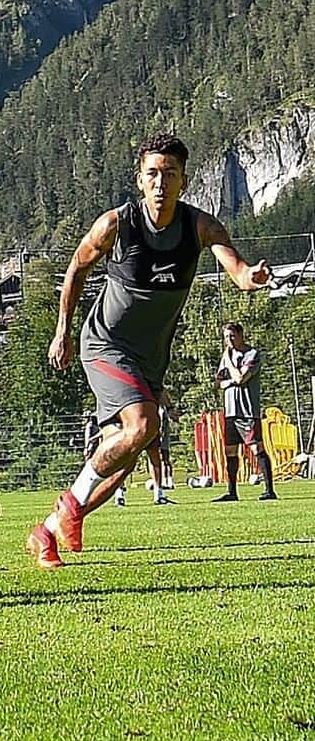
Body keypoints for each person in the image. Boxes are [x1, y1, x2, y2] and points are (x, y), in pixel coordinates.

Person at [27, 134, 273, 570]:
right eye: (153, 174)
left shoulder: (200, 226)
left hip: (149, 360)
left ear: (184, 181)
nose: (161, 182)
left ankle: (46, 531)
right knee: (144, 424)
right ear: (140, 180)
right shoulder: (116, 224)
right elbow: (76, 268)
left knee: (123, 459)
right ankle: (69, 506)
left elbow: (236, 269)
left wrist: (251, 275)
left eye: (170, 174)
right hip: (105, 344)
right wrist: (61, 330)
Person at [213, 322, 277, 501]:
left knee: (257, 448)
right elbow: (218, 383)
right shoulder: (226, 356)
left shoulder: (252, 354)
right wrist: (227, 379)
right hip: (230, 413)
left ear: (241, 335)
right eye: (226, 337)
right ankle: (232, 492)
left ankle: (269, 490)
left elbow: (241, 378)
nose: (229, 340)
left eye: (232, 336)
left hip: (248, 412)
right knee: (230, 451)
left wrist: (229, 362)